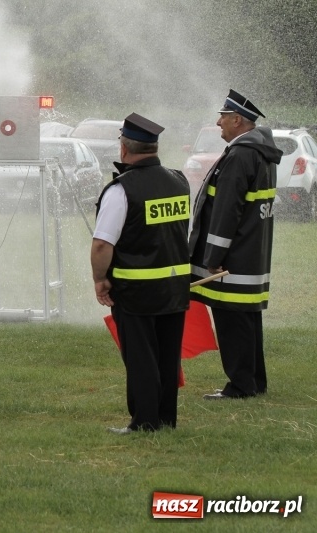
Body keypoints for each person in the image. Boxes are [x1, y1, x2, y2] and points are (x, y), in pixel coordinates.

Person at [90, 113, 191, 434]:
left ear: (124, 149)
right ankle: (165, 419)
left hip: (136, 291)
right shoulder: (179, 181)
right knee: (167, 356)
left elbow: (102, 245)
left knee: (141, 357)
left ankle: (145, 421)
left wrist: (99, 279)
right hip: (174, 289)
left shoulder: (121, 191)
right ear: (154, 147)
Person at [189, 90, 282, 400]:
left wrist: (213, 256)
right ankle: (255, 380)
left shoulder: (241, 155)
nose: (219, 123)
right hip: (251, 255)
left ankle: (240, 386)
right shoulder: (261, 152)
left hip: (232, 259)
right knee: (248, 319)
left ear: (238, 120)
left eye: (223, 117)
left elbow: (227, 211)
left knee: (232, 321)